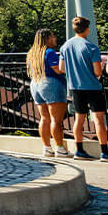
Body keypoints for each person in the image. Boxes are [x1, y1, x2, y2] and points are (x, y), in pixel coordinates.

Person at [59, 16, 108, 162]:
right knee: (99, 120)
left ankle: (79, 150)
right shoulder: (91, 47)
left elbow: (62, 68)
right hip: (92, 87)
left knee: (79, 119)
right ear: (87, 29)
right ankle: (104, 152)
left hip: (75, 86)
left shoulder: (65, 46)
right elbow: (98, 72)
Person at [26, 28, 68, 157]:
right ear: (47, 39)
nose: (55, 39)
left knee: (44, 118)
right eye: (53, 37)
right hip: (51, 84)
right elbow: (57, 70)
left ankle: (47, 148)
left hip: (35, 83)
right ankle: (60, 149)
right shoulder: (49, 52)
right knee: (57, 119)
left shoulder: (32, 53)